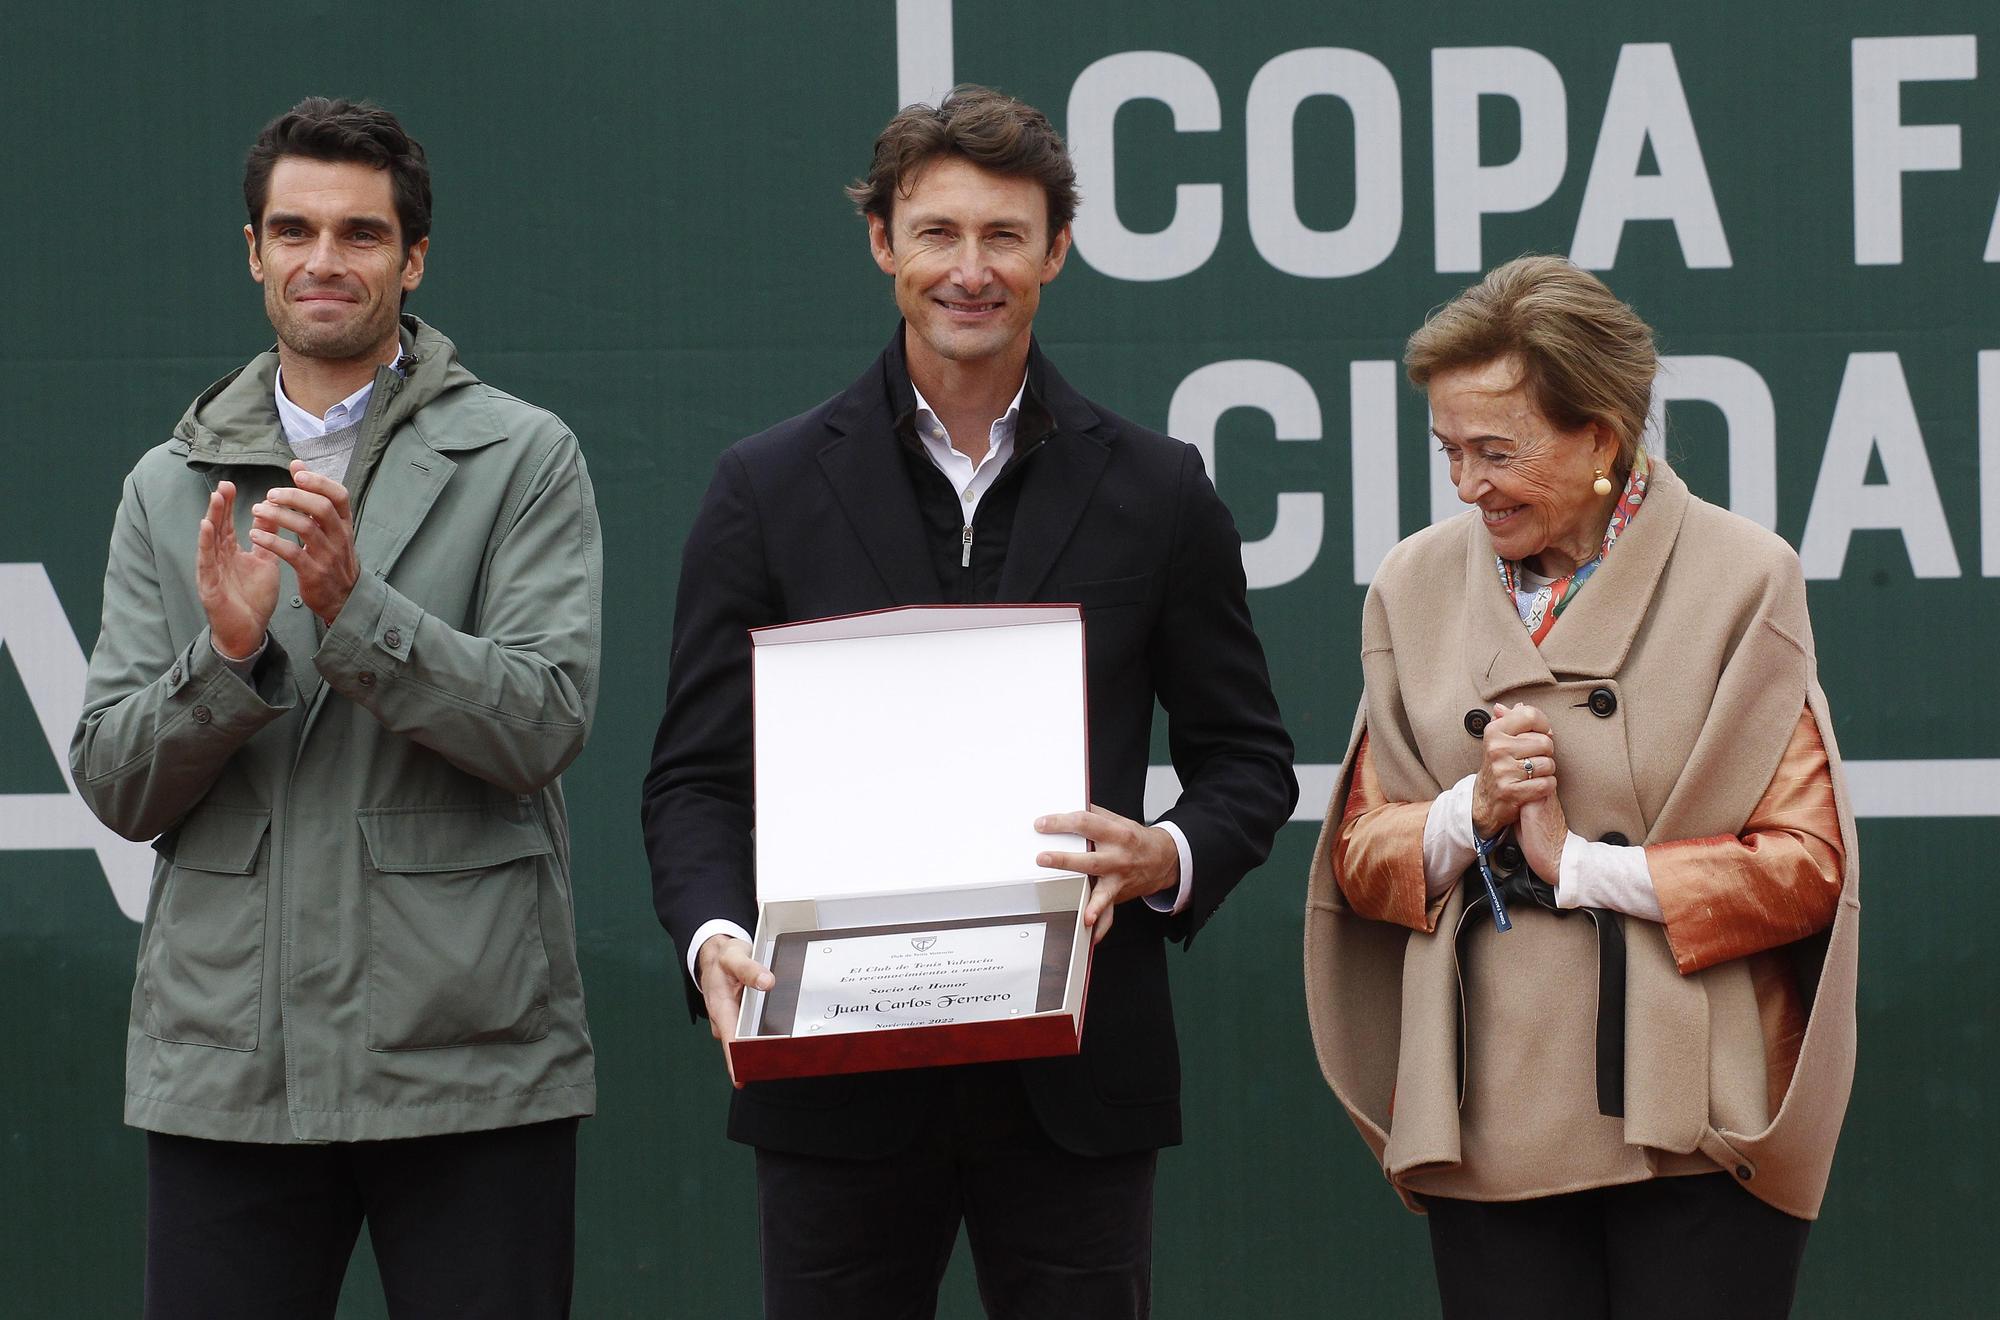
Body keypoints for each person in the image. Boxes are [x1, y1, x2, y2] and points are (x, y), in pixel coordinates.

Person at [641, 84, 1296, 1319]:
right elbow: (695, 779)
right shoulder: (766, 488)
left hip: (1075, 1081)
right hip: (827, 1072)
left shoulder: (1158, 490)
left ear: (1056, 248)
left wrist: (1166, 852)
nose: (970, 270)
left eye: (1004, 235)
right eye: (937, 233)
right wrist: (715, 938)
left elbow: (1247, 761)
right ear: (883, 243)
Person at [70, 98, 600, 1319]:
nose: (324, 260)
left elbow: (543, 722)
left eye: (360, 234)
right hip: (228, 1067)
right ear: (252, 250)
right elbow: (114, 779)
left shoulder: (523, 455)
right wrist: (231, 657)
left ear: (412, 261)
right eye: (293, 229)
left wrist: (354, 612)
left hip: (470, 1062)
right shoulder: (168, 481)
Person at [1304, 255, 1859, 1319]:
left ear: (1598, 436)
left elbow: (1805, 870)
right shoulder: (1411, 586)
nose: (1466, 485)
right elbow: (1362, 858)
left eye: (1494, 452)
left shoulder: (1742, 577)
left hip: (1690, 1114)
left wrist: (1580, 866)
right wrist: (1474, 810)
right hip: (1485, 1107)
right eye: (1448, 453)